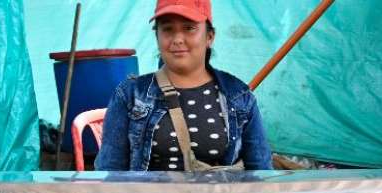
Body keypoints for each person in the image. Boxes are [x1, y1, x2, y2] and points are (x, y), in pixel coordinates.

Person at [95, 0, 273, 172]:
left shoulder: (239, 96)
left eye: (189, 28)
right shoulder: (131, 95)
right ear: (157, 36)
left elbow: (261, 171)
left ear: (209, 37)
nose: (177, 39)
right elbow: (110, 172)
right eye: (167, 29)